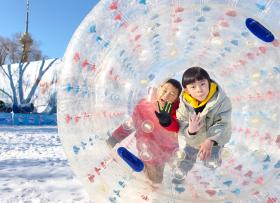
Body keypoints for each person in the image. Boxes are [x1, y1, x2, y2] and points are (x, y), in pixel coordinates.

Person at [106, 79, 182, 184]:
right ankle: (138, 166)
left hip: (165, 151)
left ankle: (142, 167)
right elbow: (131, 123)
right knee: (154, 180)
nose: (166, 96)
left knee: (162, 176)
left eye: (172, 94)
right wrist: (114, 138)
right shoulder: (144, 105)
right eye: (164, 91)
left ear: (176, 98)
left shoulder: (177, 113)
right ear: (159, 88)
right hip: (148, 149)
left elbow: (176, 133)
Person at [174, 66, 232, 182]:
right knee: (187, 157)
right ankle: (181, 174)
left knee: (211, 158)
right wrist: (190, 131)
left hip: (215, 141)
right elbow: (180, 121)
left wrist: (210, 140)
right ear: (186, 90)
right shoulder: (185, 103)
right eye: (193, 87)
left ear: (209, 83)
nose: (199, 90)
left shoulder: (222, 101)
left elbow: (223, 123)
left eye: (202, 84)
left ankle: (212, 169)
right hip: (193, 141)